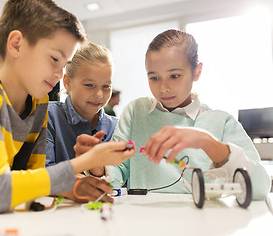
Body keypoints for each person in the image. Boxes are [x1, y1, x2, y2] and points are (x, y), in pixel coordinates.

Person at [0, 0, 135, 217]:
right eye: (54, 58)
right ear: (17, 44)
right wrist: (88, 160)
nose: (58, 74)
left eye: (64, 64)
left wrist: (71, 188)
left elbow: (34, 179)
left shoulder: (39, 104)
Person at [76, 29, 271, 200]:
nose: (164, 88)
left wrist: (208, 143)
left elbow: (261, 187)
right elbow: (116, 176)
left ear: (197, 71)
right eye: (154, 77)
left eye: (175, 76)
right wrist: (97, 164)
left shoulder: (221, 122)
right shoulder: (137, 112)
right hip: (142, 222)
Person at [46, 42, 118, 202]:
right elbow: (42, 173)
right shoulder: (48, 116)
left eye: (106, 86)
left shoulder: (116, 126)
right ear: (67, 82)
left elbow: (121, 177)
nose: (99, 94)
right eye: (89, 85)